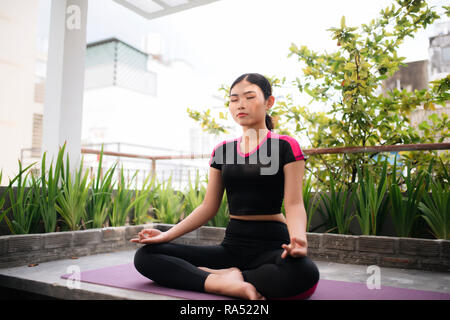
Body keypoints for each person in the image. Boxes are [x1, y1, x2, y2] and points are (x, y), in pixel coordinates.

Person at [131, 73, 320, 300]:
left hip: (271, 244)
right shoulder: (223, 151)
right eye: (234, 99)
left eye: (250, 97)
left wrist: (298, 240)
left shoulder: (286, 145)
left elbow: (294, 203)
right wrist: (165, 236)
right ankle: (224, 282)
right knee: (147, 256)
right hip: (232, 246)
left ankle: (221, 276)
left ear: (269, 102)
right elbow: (208, 207)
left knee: (303, 273)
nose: (240, 104)